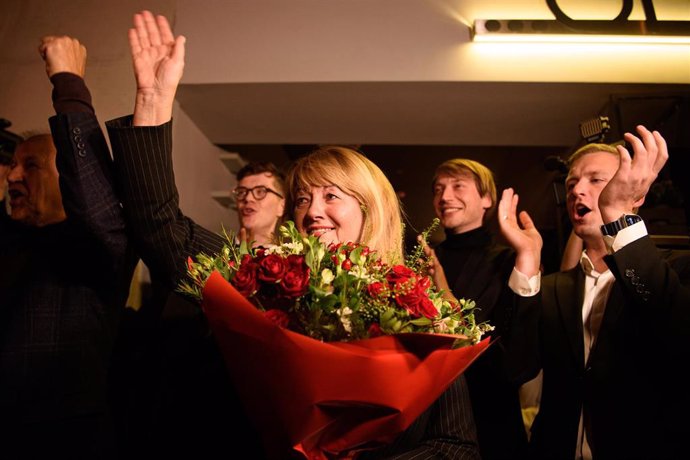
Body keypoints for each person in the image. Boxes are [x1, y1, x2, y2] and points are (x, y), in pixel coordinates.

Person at [105, 10, 481, 458]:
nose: (312, 211)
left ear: (370, 207)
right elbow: (160, 226)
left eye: (331, 196)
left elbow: (456, 445)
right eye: (302, 199)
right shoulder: (259, 281)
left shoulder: (426, 308)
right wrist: (153, 100)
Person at [501, 135, 690, 459]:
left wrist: (619, 214)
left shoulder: (675, 271)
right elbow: (517, 368)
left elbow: (676, 334)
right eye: (572, 182)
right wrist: (528, 262)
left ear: (636, 192)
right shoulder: (554, 287)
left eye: (595, 179)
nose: (576, 190)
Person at [0, 36, 136, 458]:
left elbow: (95, 194)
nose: (13, 177)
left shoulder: (97, 244)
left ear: (67, 177)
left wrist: (69, 84)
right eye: (12, 166)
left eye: (32, 166)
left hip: (64, 440)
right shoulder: (8, 239)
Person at [427, 158, 528, 459]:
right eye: (438, 189)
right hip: (431, 415)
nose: (445, 197)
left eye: (458, 186)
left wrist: (440, 283)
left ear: (487, 199)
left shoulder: (508, 260)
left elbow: (489, 343)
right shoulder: (424, 257)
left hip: (489, 415)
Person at [233, 161, 286, 247]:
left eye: (260, 191)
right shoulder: (214, 252)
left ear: (282, 206)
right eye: (242, 192)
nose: (248, 198)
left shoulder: (289, 259)